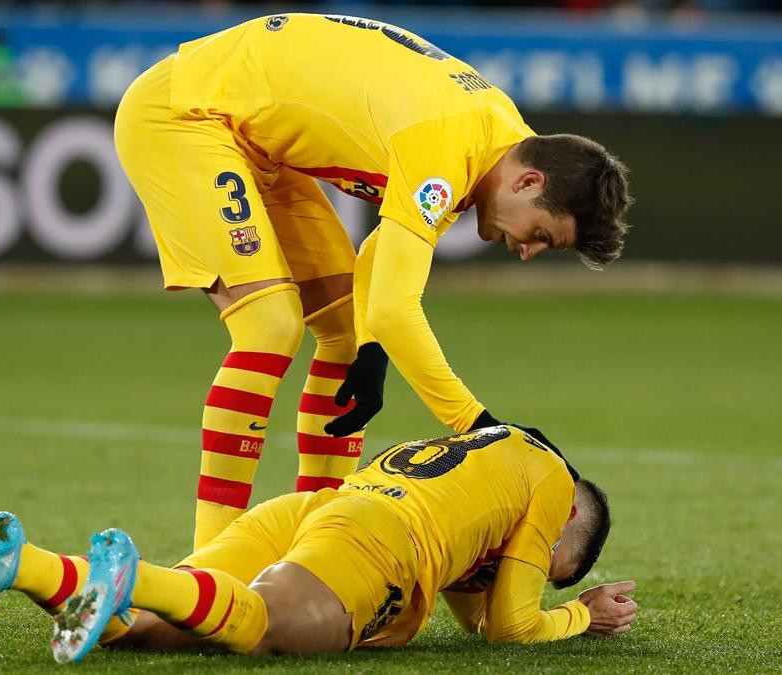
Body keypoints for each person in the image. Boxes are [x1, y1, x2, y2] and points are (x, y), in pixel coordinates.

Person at [113, 13, 634, 551]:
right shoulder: (449, 144)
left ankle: (313, 545)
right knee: (268, 325)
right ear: (530, 182)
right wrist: (478, 424)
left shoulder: (492, 139)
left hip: (252, 139)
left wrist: (371, 349)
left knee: (343, 330)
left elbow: (380, 260)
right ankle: (212, 561)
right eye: (542, 235)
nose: (527, 252)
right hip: (185, 116)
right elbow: (393, 307)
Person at [0, 424, 638, 663]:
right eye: (549, 561)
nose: (528, 567)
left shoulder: (488, 463)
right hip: (371, 544)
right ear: (569, 508)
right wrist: (582, 615)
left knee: (139, 631)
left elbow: (483, 615)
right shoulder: (549, 478)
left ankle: (18, 562)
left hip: (313, 512)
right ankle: (129, 572)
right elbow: (514, 623)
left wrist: (536, 597)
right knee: (260, 625)